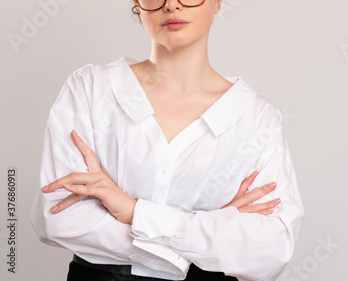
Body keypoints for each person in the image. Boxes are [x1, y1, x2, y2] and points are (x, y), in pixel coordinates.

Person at [29, 0, 305, 280]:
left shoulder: (256, 116)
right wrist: (209, 231)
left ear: (217, 2)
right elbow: (58, 218)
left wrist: (135, 212)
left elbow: (271, 249)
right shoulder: (91, 88)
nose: (172, 5)